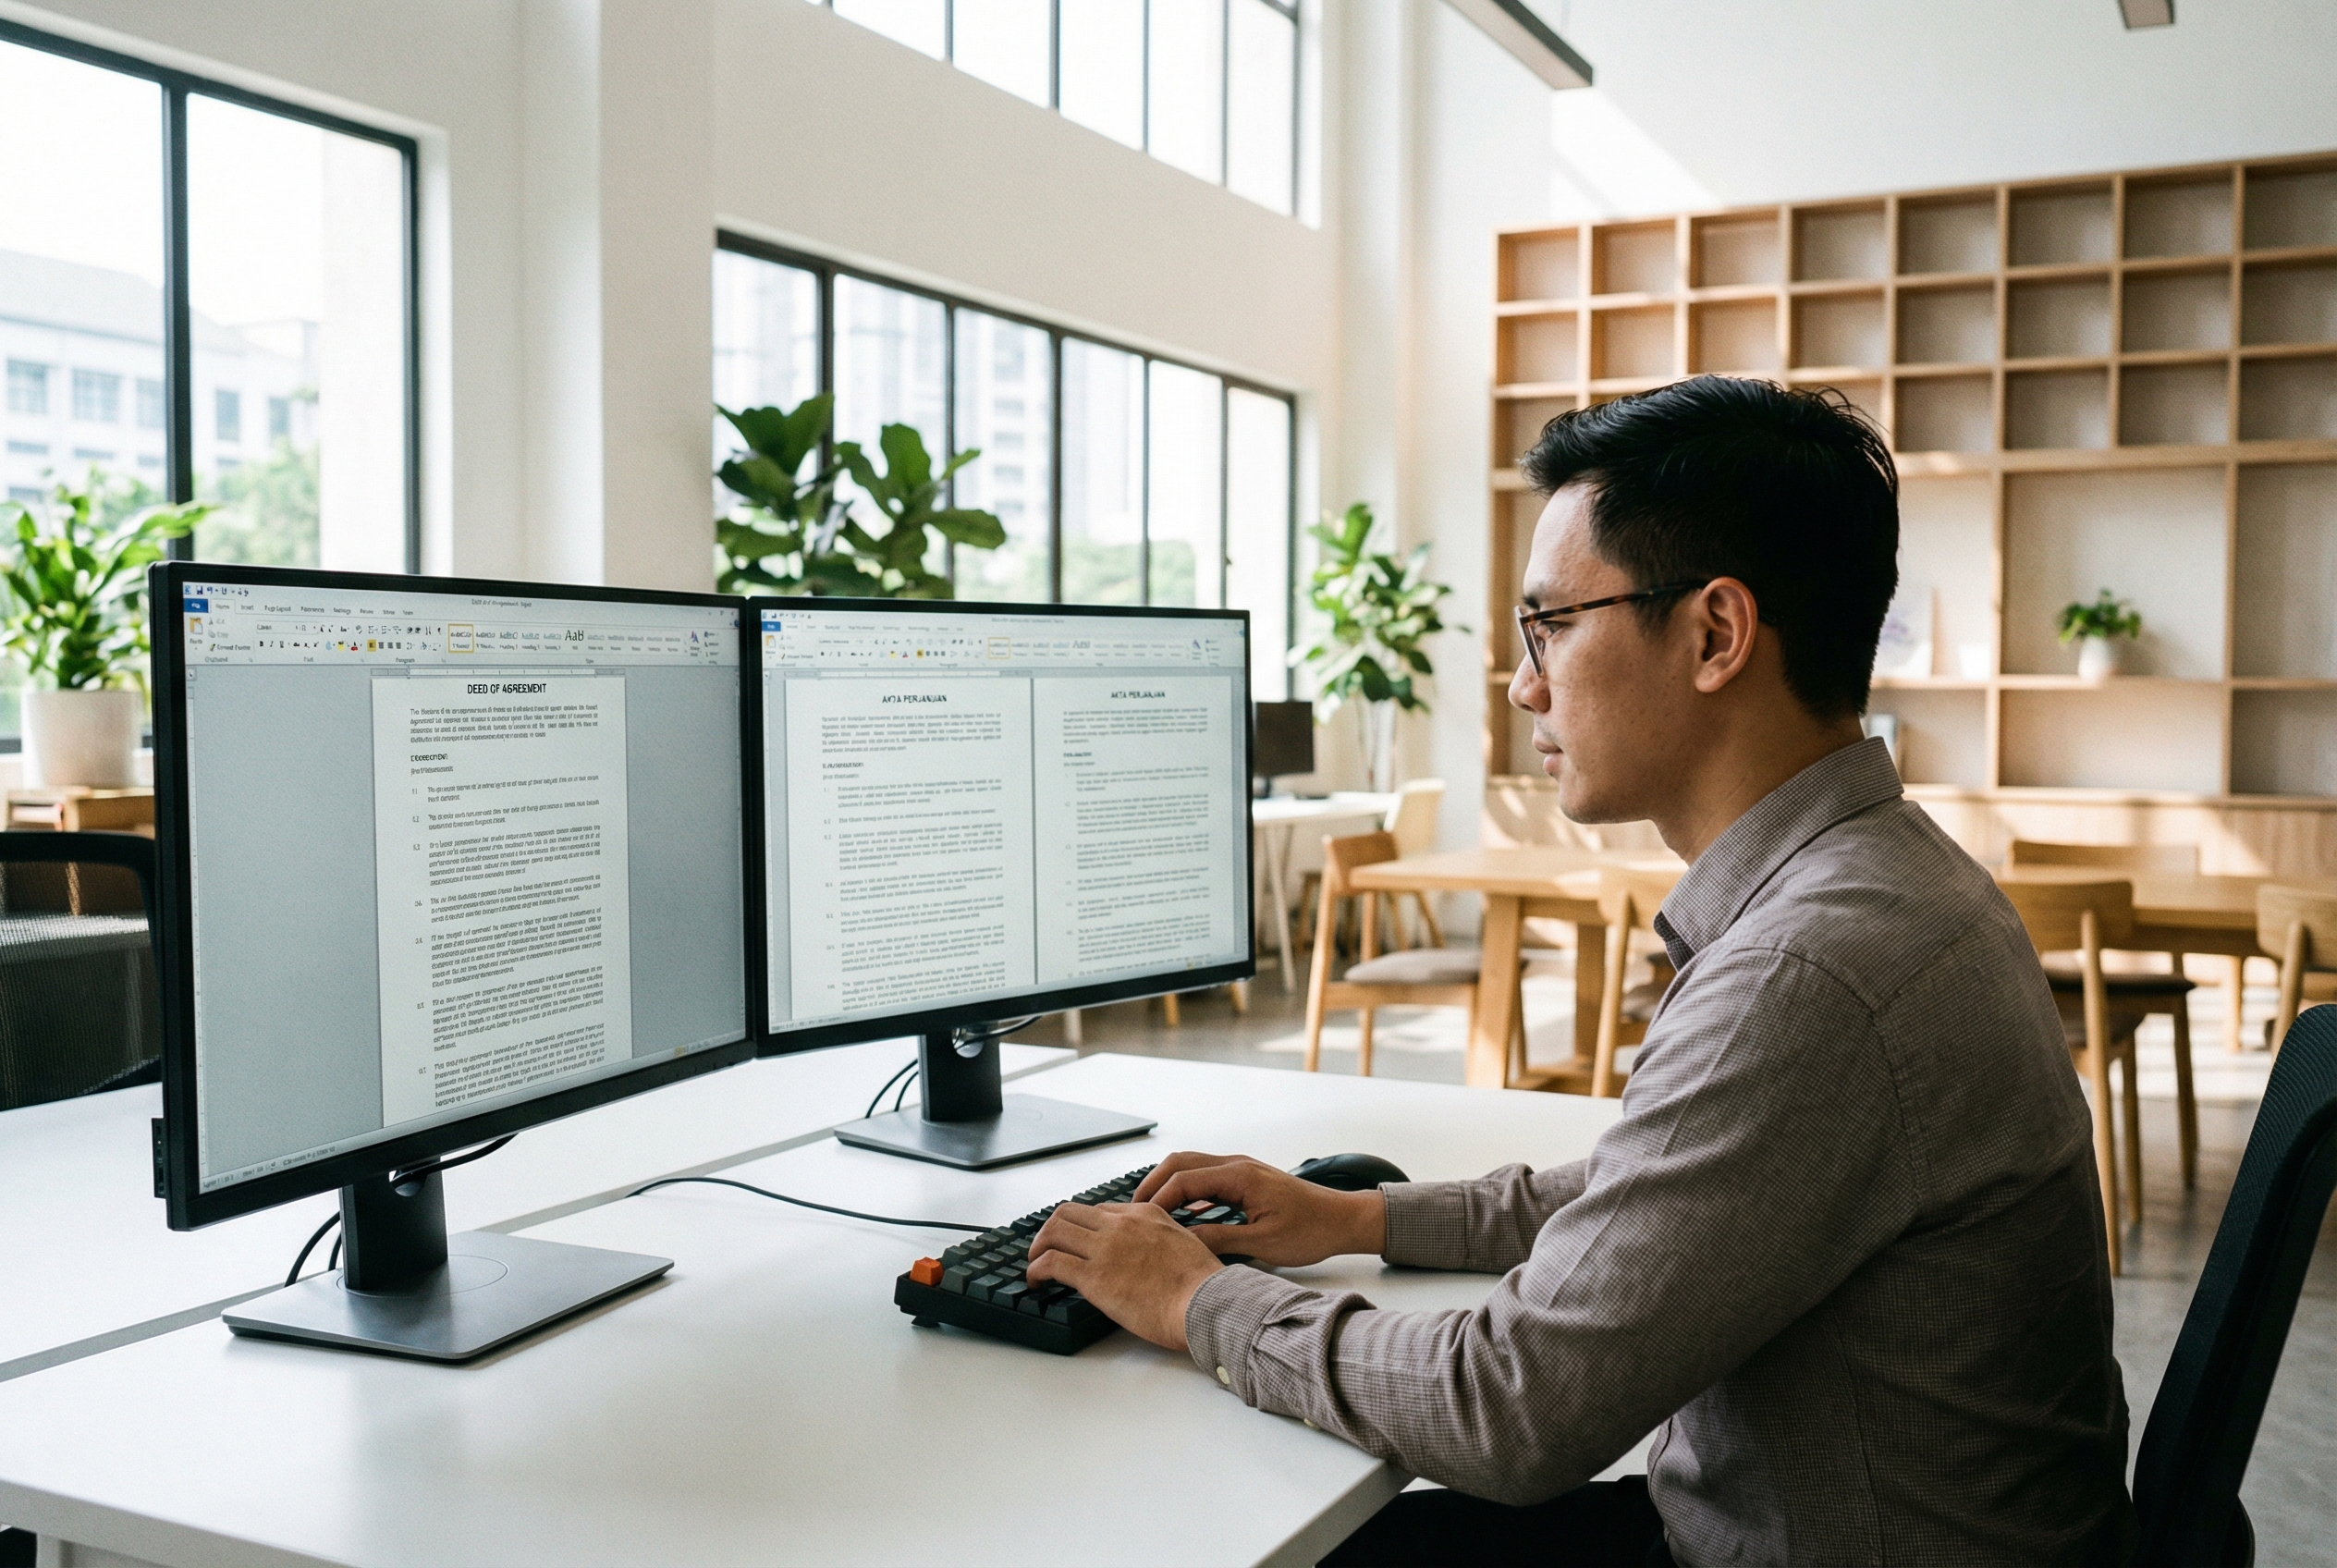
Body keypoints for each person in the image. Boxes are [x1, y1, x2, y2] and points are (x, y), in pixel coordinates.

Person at [1024, 376, 2135, 1567]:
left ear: (1716, 634)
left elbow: (1511, 1408)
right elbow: (1655, 1193)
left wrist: (1197, 1301)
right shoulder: (1888, 883)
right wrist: (1357, 1215)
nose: (1522, 684)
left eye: (1549, 625)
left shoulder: (1808, 972)